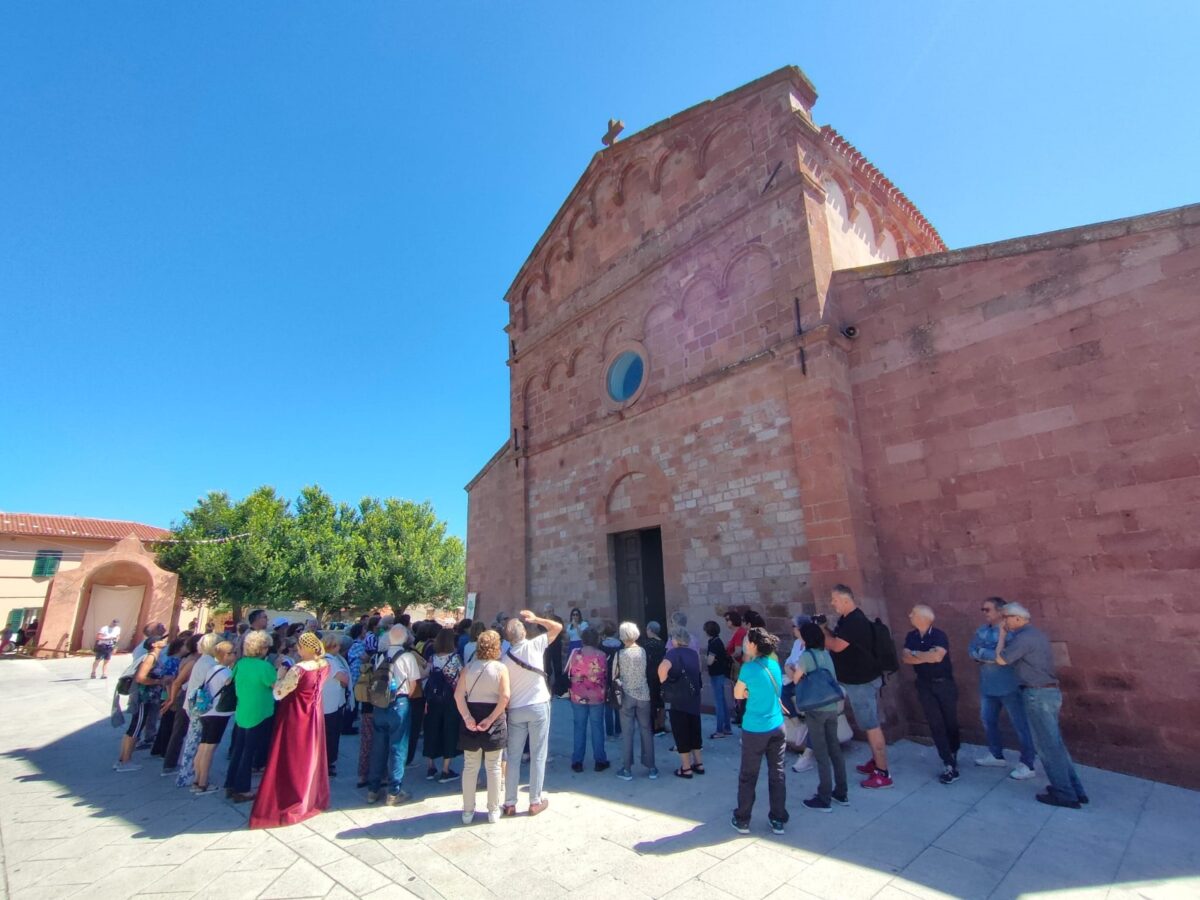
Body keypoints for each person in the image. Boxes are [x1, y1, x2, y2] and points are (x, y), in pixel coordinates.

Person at [995, 603, 1087, 809]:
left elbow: (1001, 659)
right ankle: (1073, 789)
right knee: (1055, 744)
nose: (1005, 622)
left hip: (1037, 693)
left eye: (1006, 618)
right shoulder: (1036, 635)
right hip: (1048, 691)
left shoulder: (1023, 638)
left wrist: (1001, 636)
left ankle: (1065, 794)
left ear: (1017, 618)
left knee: (1047, 746)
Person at [250, 632, 331, 827]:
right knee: (311, 755)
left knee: (293, 757)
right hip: (315, 713)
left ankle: (294, 798)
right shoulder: (325, 665)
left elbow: (279, 693)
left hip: (296, 715)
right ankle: (310, 796)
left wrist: (280, 675)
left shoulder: (299, 668)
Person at [823, 585, 891, 789]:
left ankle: (883, 773)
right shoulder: (846, 620)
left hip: (862, 682)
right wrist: (824, 627)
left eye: (834, 599)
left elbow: (835, 645)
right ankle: (875, 762)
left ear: (845, 600)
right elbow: (835, 640)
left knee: (871, 725)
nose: (832, 603)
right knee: (868, 723)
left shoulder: (854, 621)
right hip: (857, 680)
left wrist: (818, 632)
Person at [501, 609, 562, 816]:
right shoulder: (535, 645)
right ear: (524, 633)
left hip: (516, 709)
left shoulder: (504, 659)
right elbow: (557, 628)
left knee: (514, 756)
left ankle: (509, 803)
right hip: (538, 705)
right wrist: (536, 619)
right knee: (538, 754)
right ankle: (535, 801)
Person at [969, 597, 1037, 780]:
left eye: (987, 609)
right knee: (988, 720)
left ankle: (1028, 763)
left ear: (1000, 611)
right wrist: (989, 654)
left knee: (1020, 725)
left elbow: (1007, 656)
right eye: (983, 610)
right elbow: (972, 650)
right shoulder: (982, 630)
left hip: (1009, 685)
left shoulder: (1012, 633)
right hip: (988, 685)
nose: (984, 613)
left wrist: (986, 653)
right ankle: (996, 754)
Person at [731, 626, 788, 834]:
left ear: (753, 644)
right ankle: (778, 819)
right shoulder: (773, 664)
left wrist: (748, 691)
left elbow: (738, 694)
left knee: (748, 774)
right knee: (777, 773)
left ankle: (743, 818)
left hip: (755, 728)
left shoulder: (748, 669)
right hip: (777, 726)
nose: (745, 643)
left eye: (747, 640)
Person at [366, 624, 427, 806]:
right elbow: (413, 684)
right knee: (398, 747)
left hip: (380, 704)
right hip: (399, 703)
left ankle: (373, 789)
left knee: (378, 746)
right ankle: (394, 791)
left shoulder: (379, 656)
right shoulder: (407, 657)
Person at [455, 629, 510, 824]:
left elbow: (458, 695)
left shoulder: (468, 668)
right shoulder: (500, 668)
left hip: (472, 716)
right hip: (493, 717)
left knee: (470, 767)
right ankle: (493, 810)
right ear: (497, 647)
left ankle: (468, 811)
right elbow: (505, 697)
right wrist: (492, 718)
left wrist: (467, 717)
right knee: (494, 767)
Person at [902, 605, 961, 785]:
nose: (910, 615)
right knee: (935, 722)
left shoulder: (938, 635)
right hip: (924, 684)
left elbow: (937, 657)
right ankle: (948, 763)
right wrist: (925, 655)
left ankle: (953, 750)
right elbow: (905, 658)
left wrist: (916, 654)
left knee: (950, 720)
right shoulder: (911, 636)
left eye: (913, 613)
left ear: (923, 617)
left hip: (944, 684)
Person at [795, 622, 848, 812]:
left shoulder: (806, 656)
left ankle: (824, 796)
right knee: (834, 748)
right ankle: (841, 791)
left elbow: (797, 678)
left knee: (821, 752)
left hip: (815, 707)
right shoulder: (826, 654)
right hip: (831, 705)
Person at [224, 630, 277, 802]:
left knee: (239, 749)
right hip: (260, 712)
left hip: (242, 710)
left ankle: (230, 783)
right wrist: (282, 673)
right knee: (249, 751)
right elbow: (277, 687)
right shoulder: (265, 667)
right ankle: (242, 788)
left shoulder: (240, 664)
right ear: (262, 649)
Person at [113, 635, 169, 773]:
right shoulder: (150, 658)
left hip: (148, 697)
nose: (164, 641)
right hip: (144, 698)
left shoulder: (152, 657)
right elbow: (140, 678)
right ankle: (125, 760)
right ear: (155, 644)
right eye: (161, 640)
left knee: (134, 728)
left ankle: (123, 759)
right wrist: (158, 682)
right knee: (136, 728)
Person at [657, 627, 704, 778]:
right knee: (694, 730)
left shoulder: (672, 653)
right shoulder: (694, 654)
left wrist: (665, 682)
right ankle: (698, 763)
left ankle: (686, 767)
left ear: (675, 640)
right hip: (693, 696)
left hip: (678, 698)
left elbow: (662, 670)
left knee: (681, 731)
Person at [191, 641, 235, 796]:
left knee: (203, 746)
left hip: (206, 711)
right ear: (225, 655)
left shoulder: (212, 669)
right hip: (218, 713)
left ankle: (197, 780)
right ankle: (203, 782)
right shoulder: (226, 673)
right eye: (232, 653)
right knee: (209, 748)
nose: (235, 655)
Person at [614, 622, 656, 780]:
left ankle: (626, 769)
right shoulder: (642, 651)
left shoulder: (620, 654)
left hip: (627, 695)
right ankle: (651, 767)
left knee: (627, 732)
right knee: (646, 730)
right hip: (643, 694)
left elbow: (615, 674)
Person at [423, 628, 464, 783]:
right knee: (450, 731)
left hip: (433, 699)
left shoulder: (433, 658)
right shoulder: (455, 658)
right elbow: (461, 677)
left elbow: (425, 673)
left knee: (431, 729)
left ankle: (430, 766)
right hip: (451, 700)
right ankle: (446, 770)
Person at [566, 628, 610, 773]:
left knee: (579, 727)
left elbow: (569, 672)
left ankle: (577, 761)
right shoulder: (602, 655)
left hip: (578, 695)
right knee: (597, 728)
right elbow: (605, 675)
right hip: (597, 695)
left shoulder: (575, 654)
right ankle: (600, 760)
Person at [160, 634, 203, 774]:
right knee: (180, 730)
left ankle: (175, 761)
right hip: (185, 695)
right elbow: (178, 681)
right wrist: (172, 698)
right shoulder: (192, 661)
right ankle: (170, 763)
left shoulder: (193, 659)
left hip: (186, 695)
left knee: (181, 730)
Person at [321, 633, 351, 777]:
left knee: (328, 734)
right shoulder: (331, 661)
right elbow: (343, 678)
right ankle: (328, 763)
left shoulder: (323, 659)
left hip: (327, 701)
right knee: (331, 734)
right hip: (331, 703)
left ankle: (327, 761)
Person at [704, 620, 733, 738]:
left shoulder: (714, 643)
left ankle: (720, 730)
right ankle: (727, 727)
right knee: (722, 701)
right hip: (720, 673)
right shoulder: (718, 641)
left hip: (717, 674)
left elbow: (710, 661)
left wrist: (706, 660)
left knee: (719, 702)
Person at [642, 621, 668, 735]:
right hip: (661, 673)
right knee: (661, 700)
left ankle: (654, 726)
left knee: (652, 700)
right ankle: (661, 725)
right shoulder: (662, 643)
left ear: (650, 630)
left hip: (651, 674)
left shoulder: (647, 644)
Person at [599, 622, 623, 740]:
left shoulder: (602, 645)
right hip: (618, 676)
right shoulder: (620, 644)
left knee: (608, 705)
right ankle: (619, 730)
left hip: (606, 676)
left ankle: (610, 733)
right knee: (618, 703)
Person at [724, 611, 748, 726]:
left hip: (739, 666)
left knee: (740, 692)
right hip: (737, 666)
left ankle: (742, 717)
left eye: (728, 619)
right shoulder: (737, 632)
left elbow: (738, 651)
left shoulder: (739, 633)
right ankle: (740, 715)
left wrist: (729, 657)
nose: (727, 622)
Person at [540, 604, 565, 694]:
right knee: (547, 667)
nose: (551, 613)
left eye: (552, 611)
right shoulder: (542, 621)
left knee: (558, 666)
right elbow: (541, 632)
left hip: (556, 645)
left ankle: (559, 689)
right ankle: (547, 687)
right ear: (545, 612)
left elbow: (561, 631)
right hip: (547, 647)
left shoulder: (558, 620)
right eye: (548, 611)